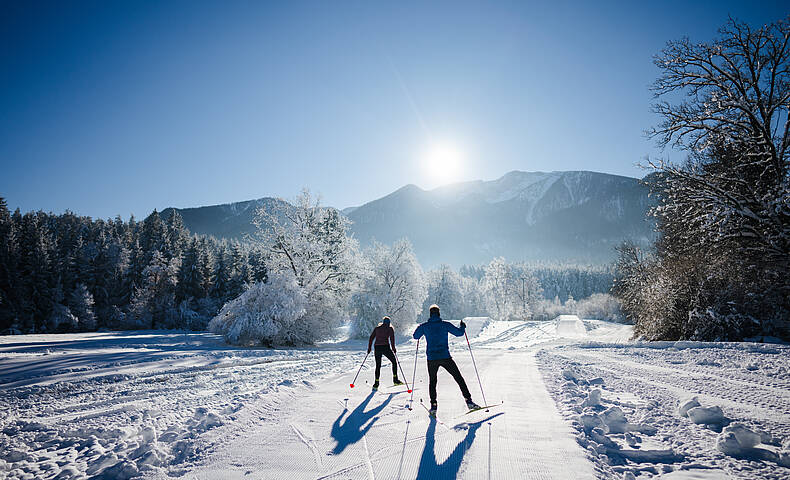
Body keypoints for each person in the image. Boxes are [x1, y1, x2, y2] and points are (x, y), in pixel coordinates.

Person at [412, 304, 480, 415]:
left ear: (430, 314)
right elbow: (459, 333)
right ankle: (469, 401)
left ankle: (433, 406)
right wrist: (462, 326)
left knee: (432, 382)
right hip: (445, 356)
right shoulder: (445, 325)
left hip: (432, 358)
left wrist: (419, 328)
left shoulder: (425, 326)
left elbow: (415, 336)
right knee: (458, 378)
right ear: (439, 313)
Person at [368, 316, 403, 390]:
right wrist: (393, 348)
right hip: (385, 347)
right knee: (394, 362)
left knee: (378, 365)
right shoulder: (390, 329)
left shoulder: (377, 328)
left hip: (377, 347)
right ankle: (395, 380)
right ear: (389, 323)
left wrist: (369, 348)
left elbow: (371, 338)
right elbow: (392, 339)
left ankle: (376, 383)